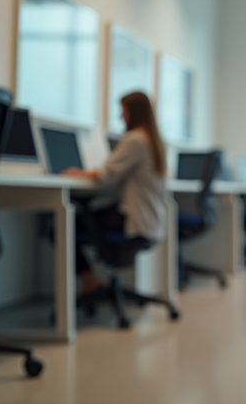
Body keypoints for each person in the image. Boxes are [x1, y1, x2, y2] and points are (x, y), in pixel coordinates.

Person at [62, 92, 167, 296]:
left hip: (134, 218)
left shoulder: (135, 139)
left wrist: (78, 173)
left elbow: (107, 176)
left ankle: (90, 281)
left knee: (59, 226)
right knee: (80, 216)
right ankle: (90, 281)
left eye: (124, 111)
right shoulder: (153, 141)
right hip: (150, 218)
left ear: (134, 113)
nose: (121, 117)